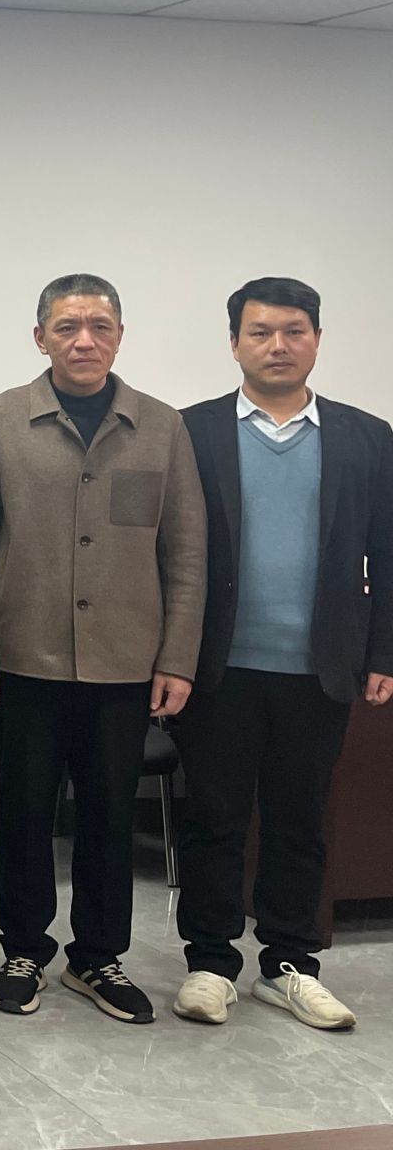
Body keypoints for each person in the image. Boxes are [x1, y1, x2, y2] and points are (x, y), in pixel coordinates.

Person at [0, 273, 205, 1025]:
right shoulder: (0, 420)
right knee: (25, 812)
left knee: (108, 815)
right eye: (67, 327)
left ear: (120, 336)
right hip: (23, 657)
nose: (84, 340)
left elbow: (186, 552)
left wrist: (177, 657)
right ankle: (23, 950)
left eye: (100, 326)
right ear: (41, 338)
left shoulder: (161, 427)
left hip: (126, 661)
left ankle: (98, 956)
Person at [171, 277, 393, 1031]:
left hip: (319, 668)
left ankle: (290, 964)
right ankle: (210, 963)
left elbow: (387, 552)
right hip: (217, 666)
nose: (278, 346)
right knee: (214, 818)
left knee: (300, 820)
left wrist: (383, 652)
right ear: (234, 343)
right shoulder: (190, 432)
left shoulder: (366, 436)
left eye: (294, 331)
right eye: (260, 332)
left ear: (318, 341)